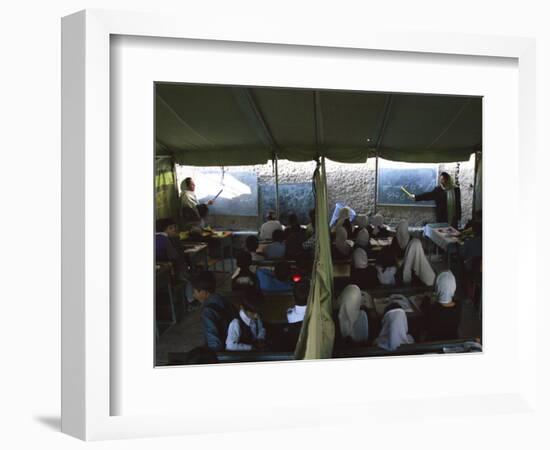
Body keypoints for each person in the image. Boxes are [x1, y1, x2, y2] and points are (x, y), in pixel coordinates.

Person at [192, 271, 236, 351]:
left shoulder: (207, 312)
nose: (193, 295)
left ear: (204, 292)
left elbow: (214, 343)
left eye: (195, 292)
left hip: (224, 350)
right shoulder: (223, 300)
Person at [424, 271, 461, 341]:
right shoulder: (459, 306)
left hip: (432, 344)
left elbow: (424, 306)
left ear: (437, 287)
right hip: (452, 343)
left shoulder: (432, 309)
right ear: (454, 287)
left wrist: (428, 297)